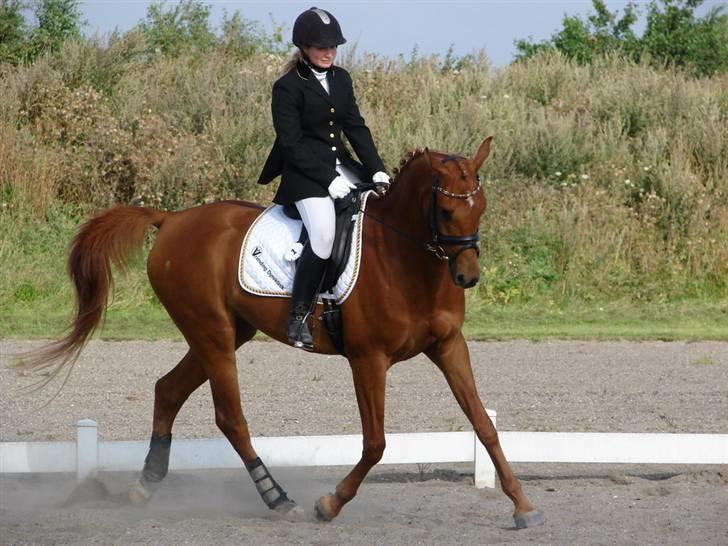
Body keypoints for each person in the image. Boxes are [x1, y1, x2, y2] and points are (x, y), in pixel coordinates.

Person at [258, 7, 391, 350]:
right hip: (304, 174)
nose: (329, 52)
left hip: (341, 165)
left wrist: (375, 167)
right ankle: (298, 314)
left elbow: (355, 127)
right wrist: (328, 179)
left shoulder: (341, 78)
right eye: (321, 47)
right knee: (323, 234)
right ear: (303, 47)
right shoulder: (286, 88)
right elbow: (292, 143)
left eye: (333, 46)